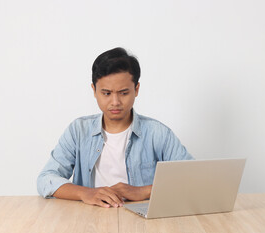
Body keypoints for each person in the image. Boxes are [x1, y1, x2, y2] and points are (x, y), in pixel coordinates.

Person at [37, 47, 193, 208]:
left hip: (142, 222)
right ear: (94, 90)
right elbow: (46, 179)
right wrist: (86, 193)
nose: (115, 102)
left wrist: (143, 191)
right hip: (89, 220)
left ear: (136, 89)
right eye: (106, 93)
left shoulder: (157, 133)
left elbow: (193, 179)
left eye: (124, 93)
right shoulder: (78, 131)